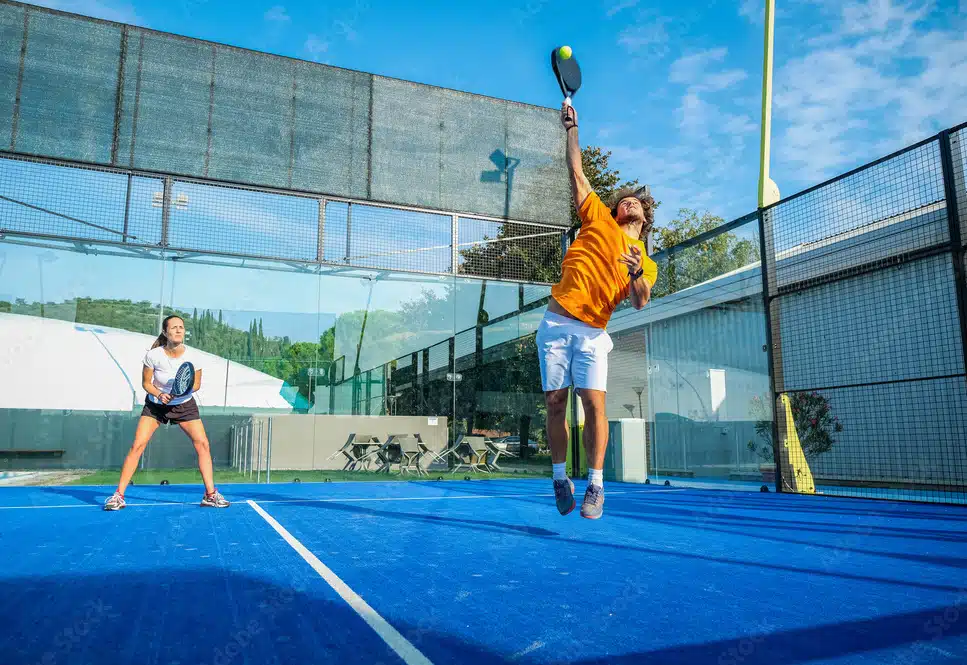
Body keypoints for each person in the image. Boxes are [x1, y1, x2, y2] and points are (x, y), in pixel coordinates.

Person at [536, 101, 658, 519]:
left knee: (593, 405)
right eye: (624, 200)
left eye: (636, 202)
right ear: (615, 209)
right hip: (555, 322)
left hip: (592, 334)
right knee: (555, 403)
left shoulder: (645, 257)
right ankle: (558, 478)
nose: (629, 202)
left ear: (645, 217)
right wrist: (572, 127)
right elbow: (577, 173)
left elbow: (641, 300)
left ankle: (595, 486)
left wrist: (637, 271)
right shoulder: (597, 220)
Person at [104, 315, 230, 510]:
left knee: (203, 445)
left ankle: (210, 495)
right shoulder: (154, 355)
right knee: (137, 445)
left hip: (184, 406)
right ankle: (118, 496)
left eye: (181, 327)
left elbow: (195, 384)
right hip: (155, 406)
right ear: (165, 332)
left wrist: (180, 392)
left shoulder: (193, 356)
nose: (179, 330)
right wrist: (160, 394)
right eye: (174, 327)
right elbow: (146, 383)